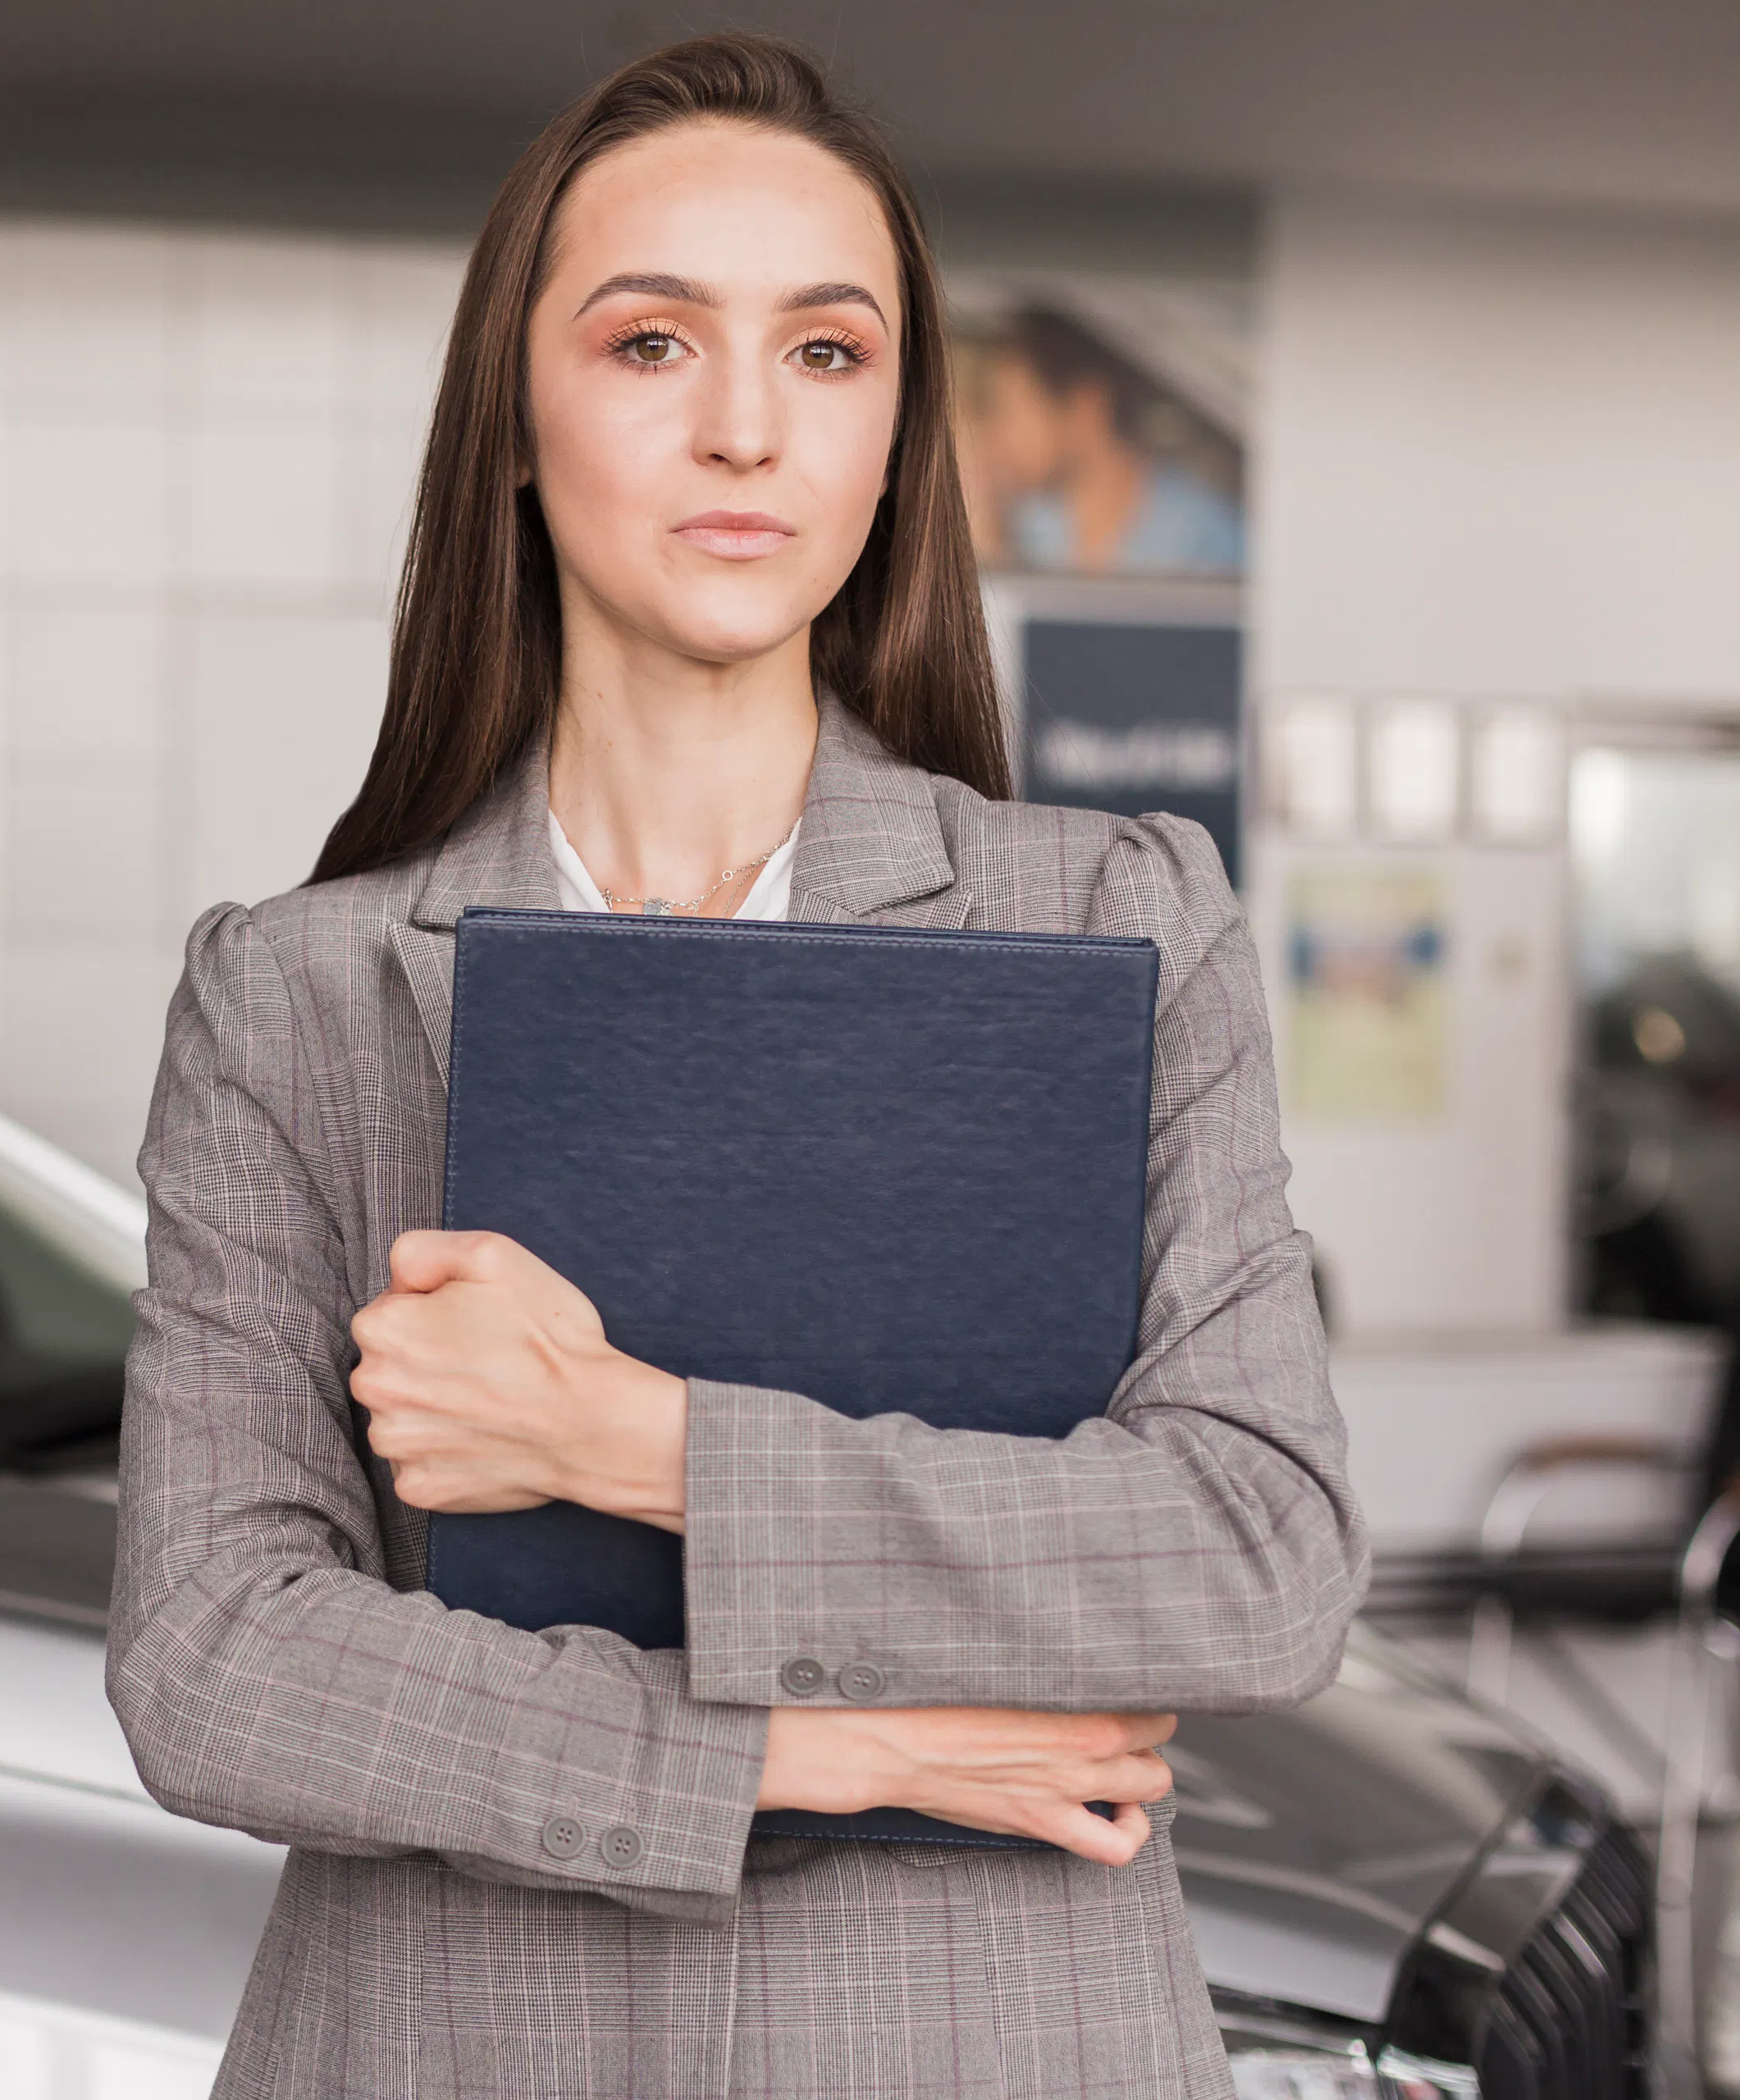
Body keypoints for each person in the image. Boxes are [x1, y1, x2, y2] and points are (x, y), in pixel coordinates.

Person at [109, 34, 1362, 2100]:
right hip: (456, 2029)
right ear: (513, 423)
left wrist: (630, 1438)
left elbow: (1250, 1554)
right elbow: (215, 1658)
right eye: (647, 342)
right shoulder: (297, 994)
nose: (740, 428)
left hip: (987, 2033)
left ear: (893, 439)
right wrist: (798, 1748)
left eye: (824, 353)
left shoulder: (1112, 924)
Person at [967, 305, 1244, 575]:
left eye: (1009, 409)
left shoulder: (1203, 542)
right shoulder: (1032, 530)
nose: (995, 433)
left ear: (1086, 406)